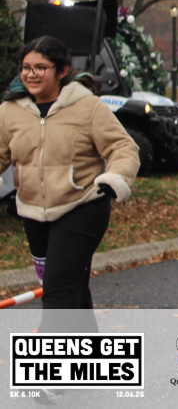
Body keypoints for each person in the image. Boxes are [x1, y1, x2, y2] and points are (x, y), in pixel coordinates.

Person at [0, 37, 139, 336]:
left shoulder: (87, 106)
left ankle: (50, 358)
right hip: (33, 212)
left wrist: (116, 178)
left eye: (41, 67)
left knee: (59, 289)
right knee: (71, 286)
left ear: (62, 71)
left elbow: (123, 147)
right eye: (25, 67)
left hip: (82, 206)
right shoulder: (9, 111)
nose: (31, 74)